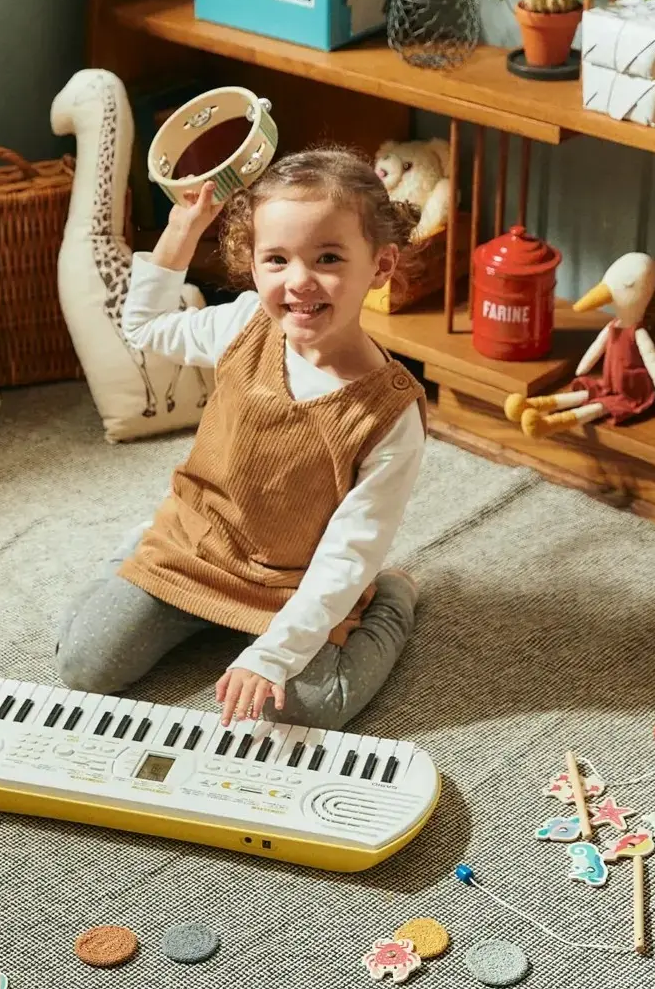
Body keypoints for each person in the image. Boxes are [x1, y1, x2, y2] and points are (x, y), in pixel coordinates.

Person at [56, 145, 428, 732]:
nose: (299, 280)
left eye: (328, 257)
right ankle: (139, 554)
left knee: (313, 709)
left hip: (293, 581)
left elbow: (348, 552)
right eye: (276, 259)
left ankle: (394, 599)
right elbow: (145, 328)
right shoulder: (243, 323)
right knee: (84, 666)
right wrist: (180, 231)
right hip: (196, 549)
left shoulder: (391, 413)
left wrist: (273, 654)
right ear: (252, 266)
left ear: (379, 266)